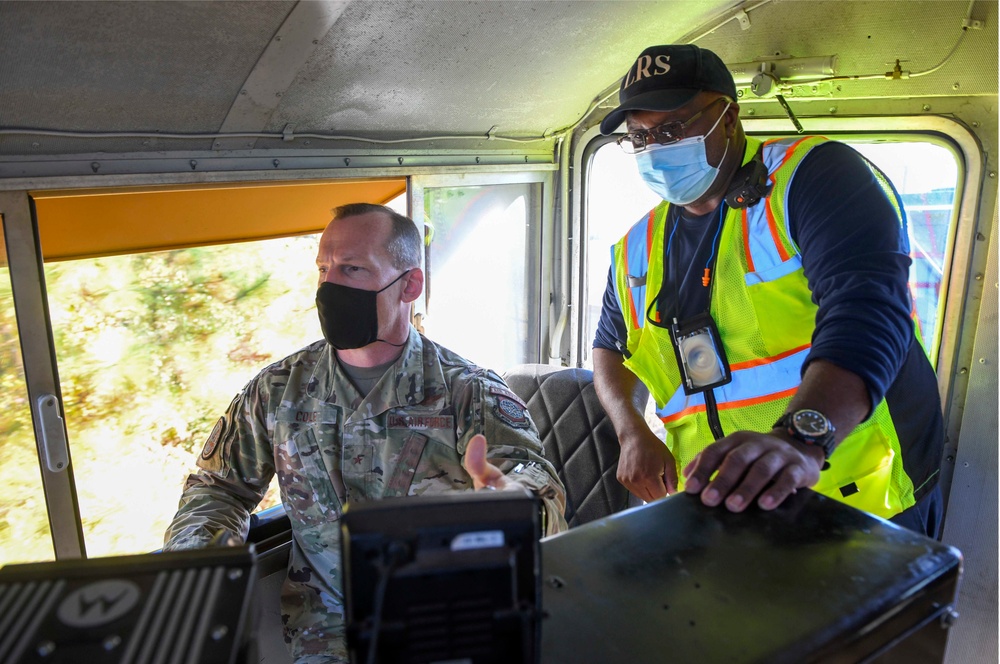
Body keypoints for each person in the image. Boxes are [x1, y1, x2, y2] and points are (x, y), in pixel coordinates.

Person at [163, 203, 567, 663]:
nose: (330, 285)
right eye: (323, 269)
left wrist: (512, 504)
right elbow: (219, 487)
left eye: (352, 269)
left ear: (409, 285)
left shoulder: (467, 391)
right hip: (324, 637)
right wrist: (199, 557)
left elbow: (537, 485)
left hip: (440, 629)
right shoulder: (278, 389)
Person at [592, 44, 944, 537]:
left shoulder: (815, 177)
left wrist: (800, 440)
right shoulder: (634, 249)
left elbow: (867, 311)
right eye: (639, 137)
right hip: (726, 504)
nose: (655, 149)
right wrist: (631, 431)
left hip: (860, 497)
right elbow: (609, 348)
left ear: (728, 117)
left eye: (671, 130)